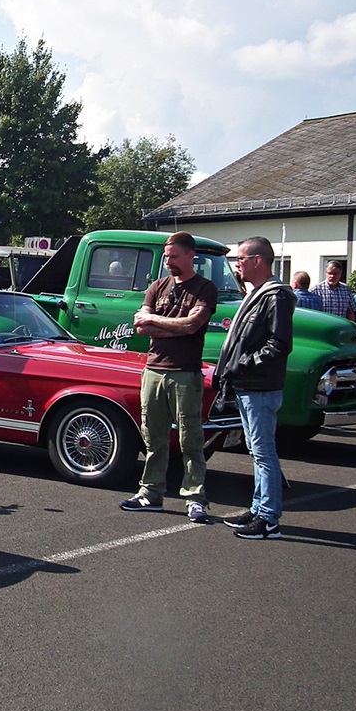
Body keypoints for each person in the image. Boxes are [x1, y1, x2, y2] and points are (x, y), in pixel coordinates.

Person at [120, 231, 218, 523]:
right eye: (166, 256)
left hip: (185, 373)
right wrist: (166, 325)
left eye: (174, 256)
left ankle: (195, 497)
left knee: (190, 438)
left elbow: (192, 325)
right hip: (153, 370)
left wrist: (156, 321)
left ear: (190, 256)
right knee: (153, 436)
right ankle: (151, 493)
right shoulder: (157, 287)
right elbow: (141, 326)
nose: (168, 261)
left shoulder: (204, 288)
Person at [217, 237, 294, 539]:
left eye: (241, 259)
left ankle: (269, 520)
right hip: (249, 386)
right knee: (256, 450)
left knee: (264, 453)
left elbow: (279, 344)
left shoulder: (276, 296)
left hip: (261, 387)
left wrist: (243, 363)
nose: (237, 265)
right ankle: (258, 509)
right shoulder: (259, 294)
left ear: (257, 260)